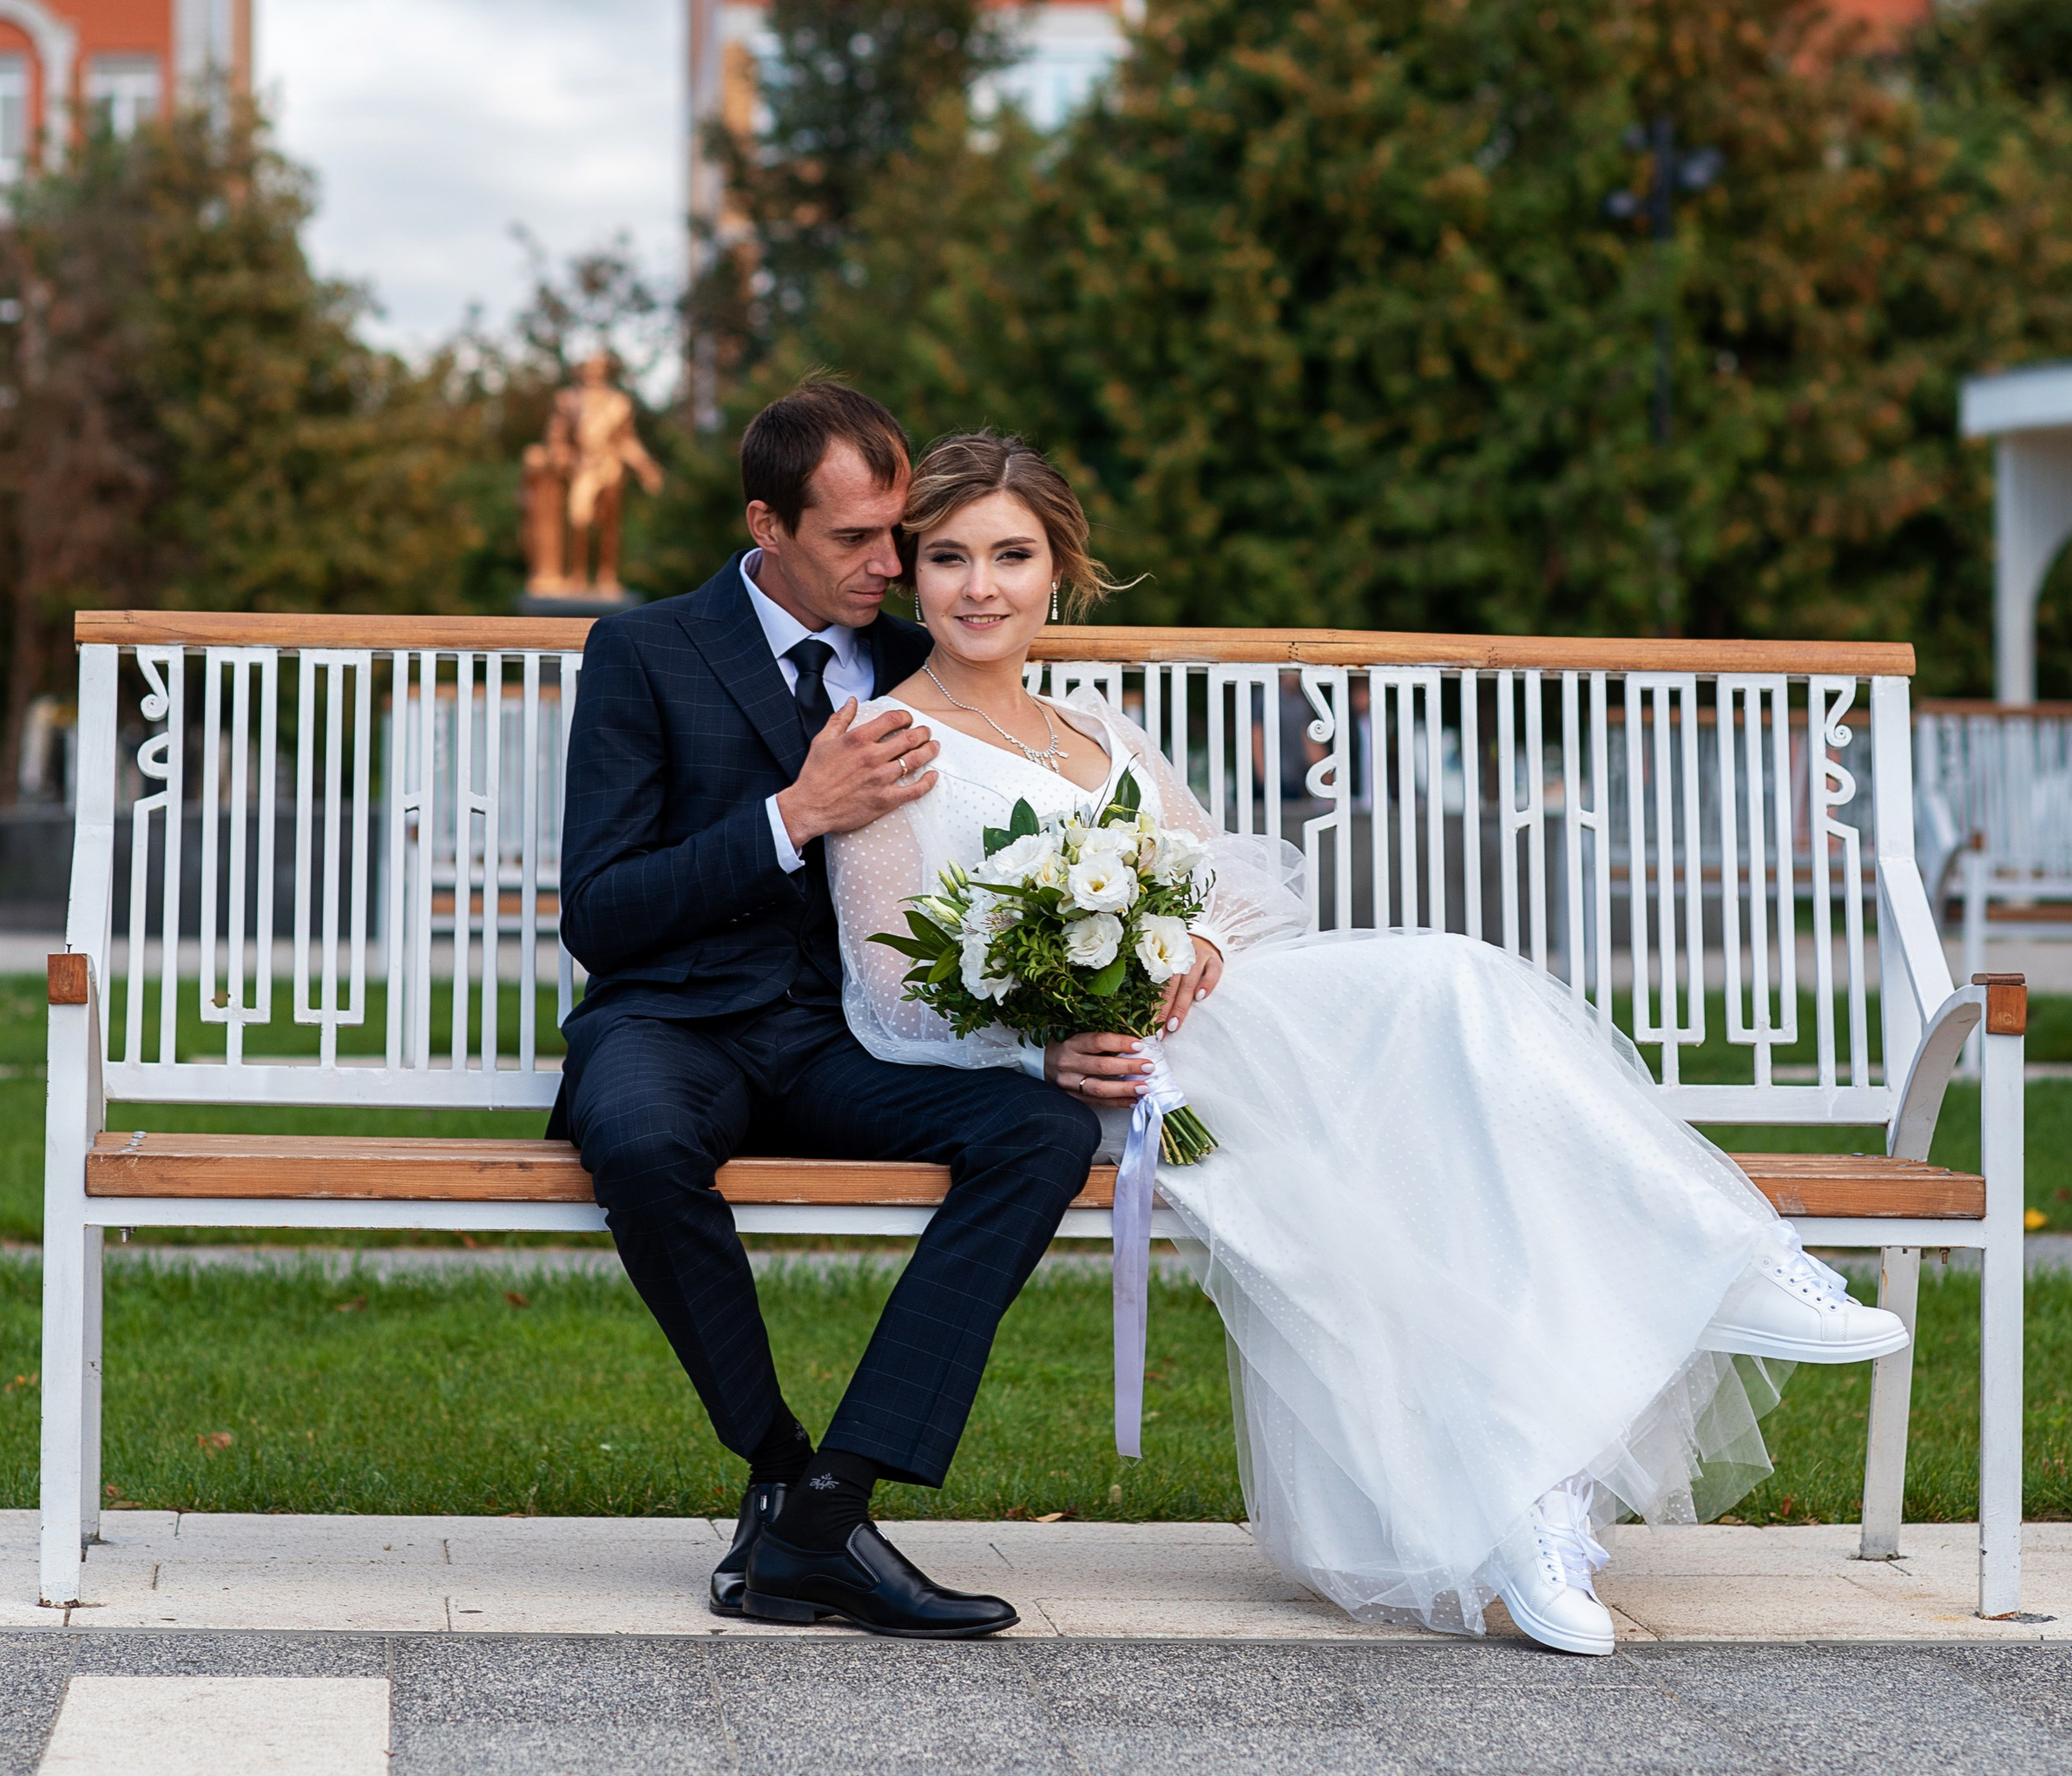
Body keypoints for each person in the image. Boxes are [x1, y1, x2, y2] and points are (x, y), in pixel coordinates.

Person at [832, 428, 1909, 1657]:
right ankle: (1701, 1280)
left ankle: (1544, 1485)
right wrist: (1045, 1051)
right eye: (953, 557)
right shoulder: (887, 743)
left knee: (1441, 1121)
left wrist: (1203, 950)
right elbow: (884, 990)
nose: (982, 587)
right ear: (912, 575)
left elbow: (1229, 885)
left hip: (1232, 1017)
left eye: (1012, 554)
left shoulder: (1102, 728)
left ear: (1060, 569)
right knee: (1442, 999)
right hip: (1118, 1082)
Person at [554, 382, 1102, 1637]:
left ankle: (824, 1512)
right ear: (766, 523)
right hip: (673, 1025)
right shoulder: (645, 651)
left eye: (897, 531)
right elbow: (600, 910)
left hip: (840, 1038)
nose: (890, 562)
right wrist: (790, 818)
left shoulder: (920, 660)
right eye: (855, 538)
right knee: (637, 1142)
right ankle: (781, 1466)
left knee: (1042, 1134)